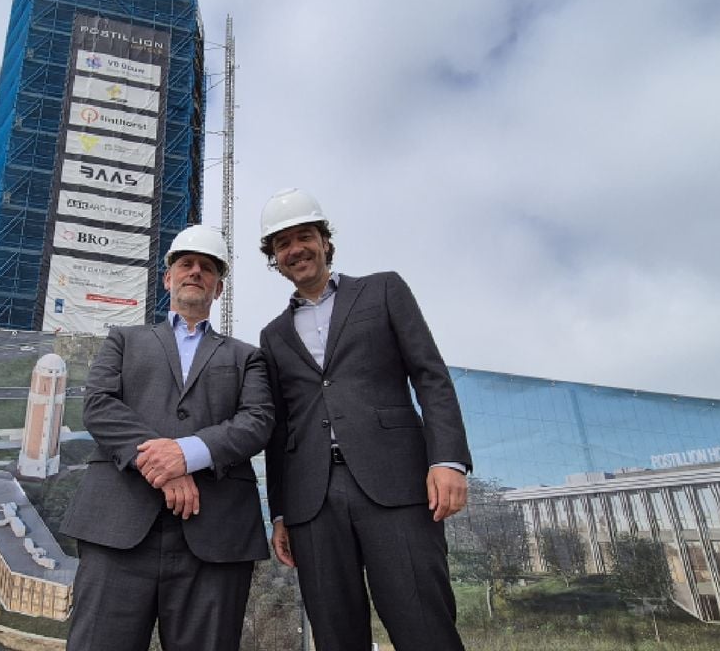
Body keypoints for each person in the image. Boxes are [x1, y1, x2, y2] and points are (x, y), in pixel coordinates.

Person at [258, 188, 472, 651]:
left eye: (304, 236)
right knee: (335, 633)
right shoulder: (272, 336)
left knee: (423, 623)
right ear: (274, 258)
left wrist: (448, 461)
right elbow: (280, 431)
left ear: (325, 241)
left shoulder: (383, 290)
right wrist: (280, 512)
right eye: (282, 244)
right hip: (312, 501)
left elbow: (431, 377)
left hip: (396, 484)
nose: (295, 249)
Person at [60, 224, 274, 651]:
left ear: (218, 287)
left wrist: (187, 454)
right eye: (186, 264)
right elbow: (99, 405)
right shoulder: (125, 339)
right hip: (117, 528)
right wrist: (164, 465)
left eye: (207, 267)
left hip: (215, 538)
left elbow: (257, 421)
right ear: (168, 278)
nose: (195, 271)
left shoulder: (246, 356)